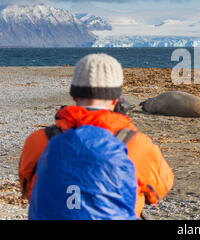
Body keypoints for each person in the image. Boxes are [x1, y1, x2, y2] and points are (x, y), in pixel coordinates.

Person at [18, 54, 174, 219]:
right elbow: (159, 189)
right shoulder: (136, 144)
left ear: (74, 95)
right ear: (116, 99)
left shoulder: (39, 140)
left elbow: (29, 189)